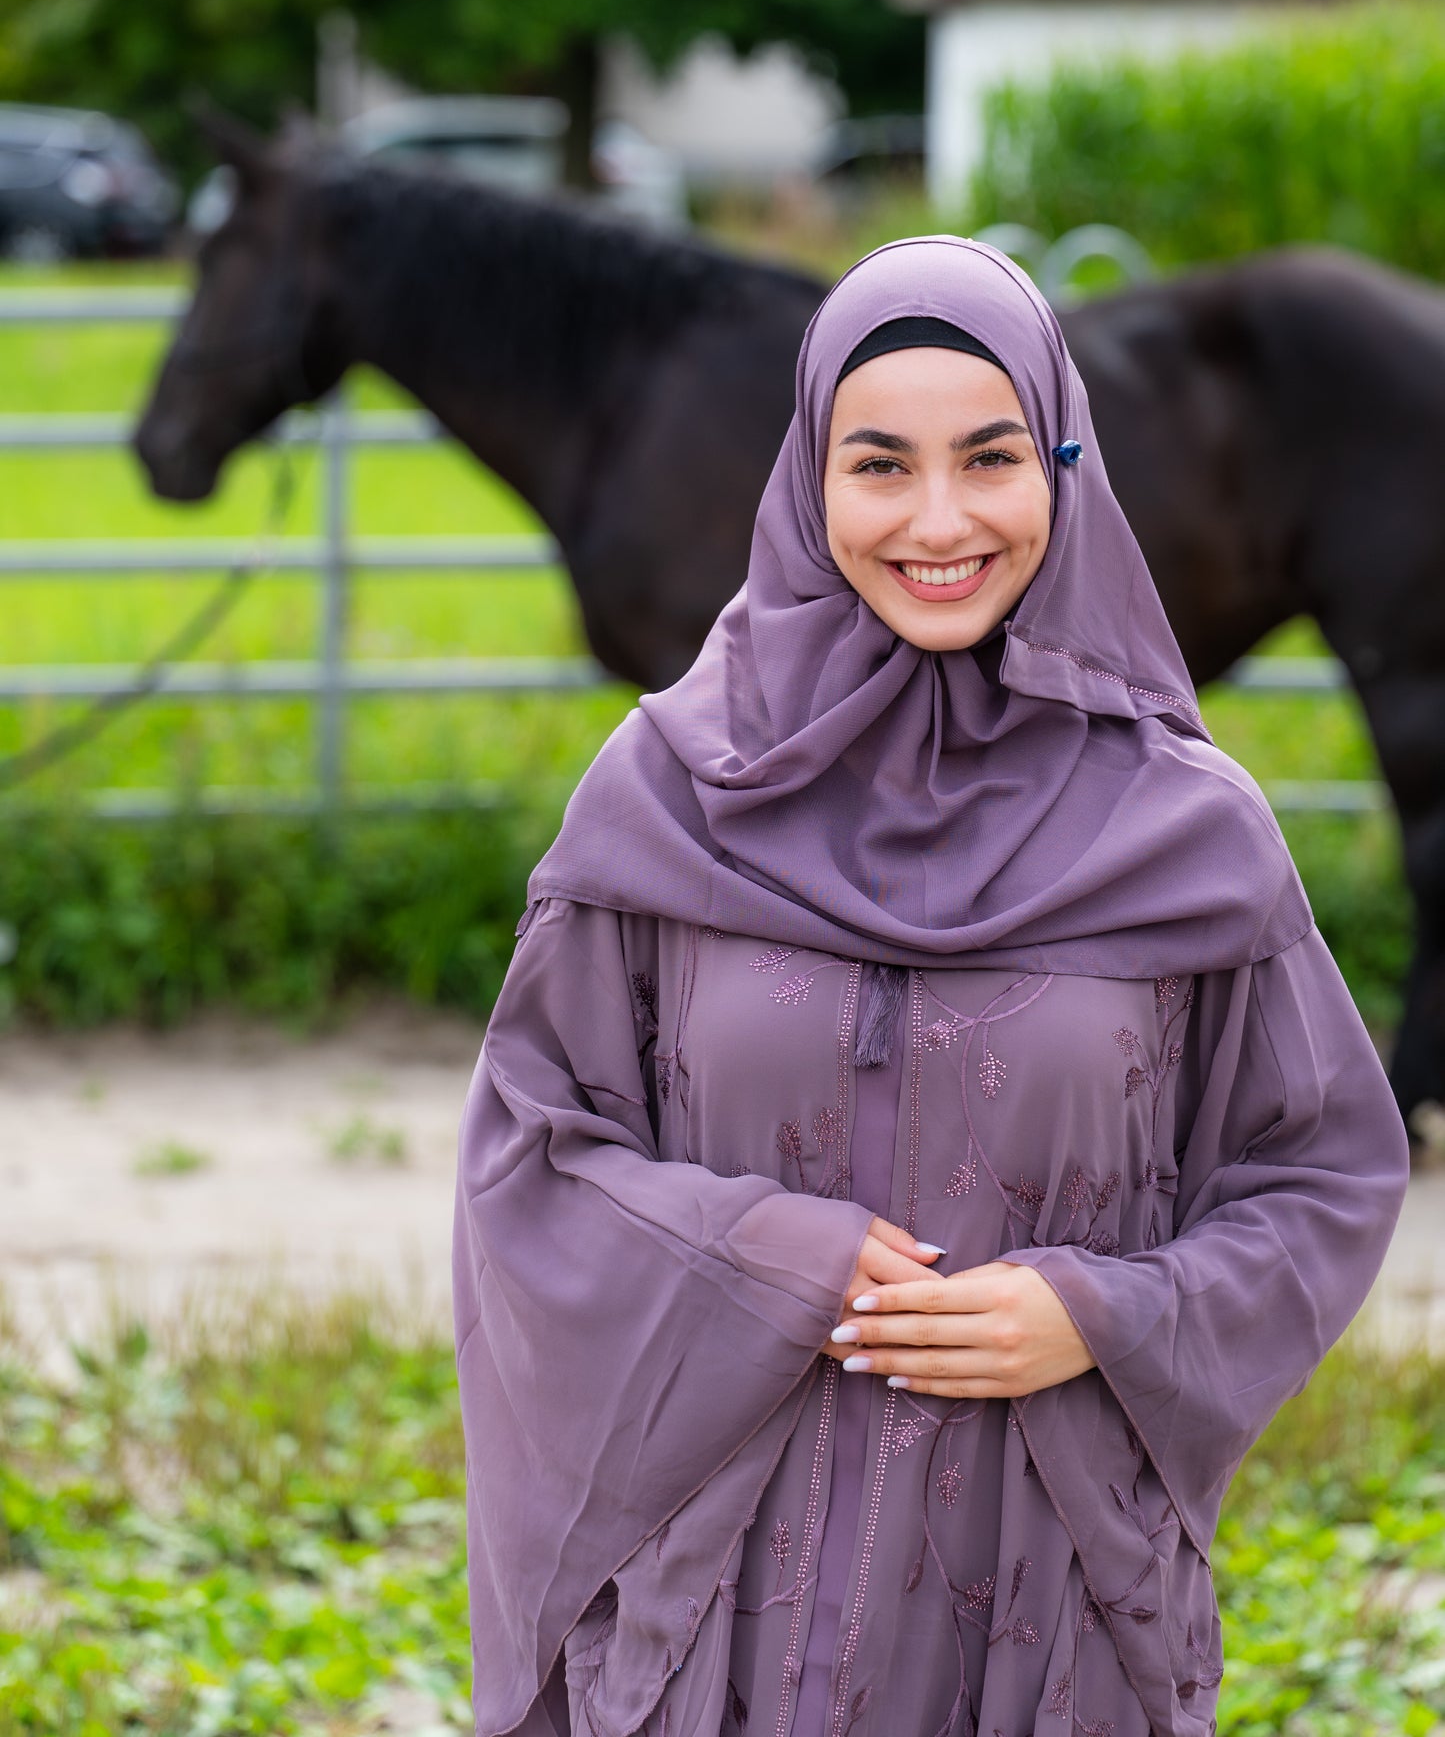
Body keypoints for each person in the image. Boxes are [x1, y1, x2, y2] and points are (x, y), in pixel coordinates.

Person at [453, 236, 1408, 1737]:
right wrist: (759, 1254)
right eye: (879, 464)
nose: (940, 519)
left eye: (991, 458)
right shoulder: (668, 793)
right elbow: (531, 1150)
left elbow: (1319, 1173)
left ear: (1064, 469)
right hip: (717, 1597)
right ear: (806, 479)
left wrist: (1105, 1314)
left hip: (1050, 1603)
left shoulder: (1185, 830)